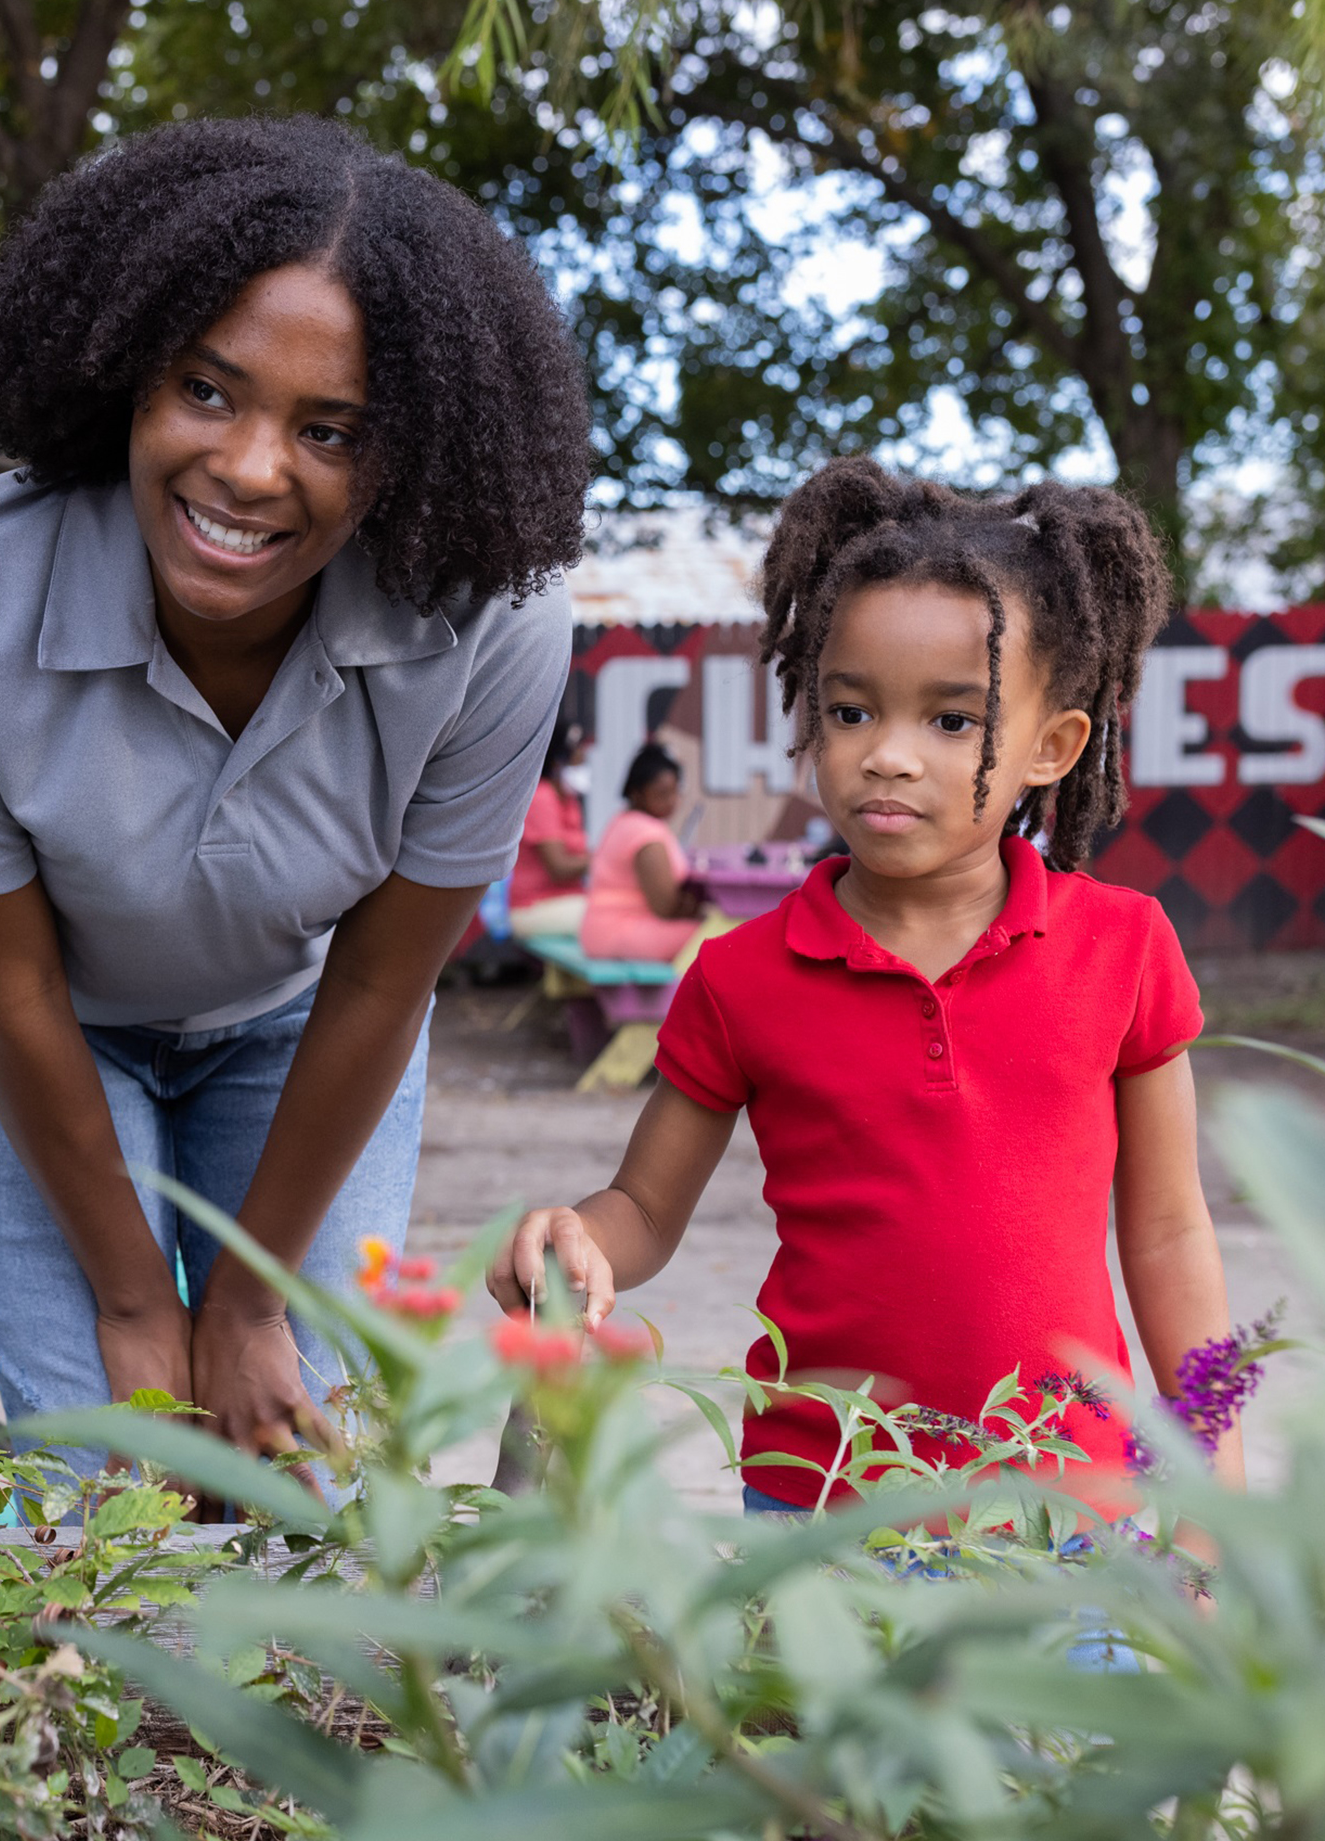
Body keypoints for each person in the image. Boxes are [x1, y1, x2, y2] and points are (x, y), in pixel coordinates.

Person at [0, 115, 591, 1454]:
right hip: (41, 1026)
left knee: (297, 1475)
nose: (253, 467)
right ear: (127, 376)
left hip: (303, 1021)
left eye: (330, 429)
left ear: (410, 451)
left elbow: (384, 981)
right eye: (209, 391)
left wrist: (250, 1307)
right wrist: (142, 1300)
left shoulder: (497, 625)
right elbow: (8, 986)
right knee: (109, 1463)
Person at [485, 458, 1239, 1513]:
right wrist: (570, 1239)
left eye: (950, 720)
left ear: (1052, 746)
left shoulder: (1123, 948)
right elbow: (644, 1210)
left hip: (1069, 1514)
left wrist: (1217, 1485)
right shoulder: (739, 978)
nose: (885, 756)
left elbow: (1165, 1233)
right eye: (848, 712)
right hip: (818, 1505)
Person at [577, 742, 706, 962]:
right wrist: (693, 906)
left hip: (597, 931)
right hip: (621, 932)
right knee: (718, 937)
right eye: (662, 793)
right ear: (636, 793)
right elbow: (665, 907)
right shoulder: (646, 833)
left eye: (676, 792)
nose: (672, 801)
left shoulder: (623, 821)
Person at [507, 724, 591, 939]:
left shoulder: (568, 799)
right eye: (577, 759)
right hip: (533, 906)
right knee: (605, 918)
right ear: (557, 762)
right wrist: (605, 857)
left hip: (565, 901)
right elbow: (559, 868)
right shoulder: (542, 796)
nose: (584, 763)